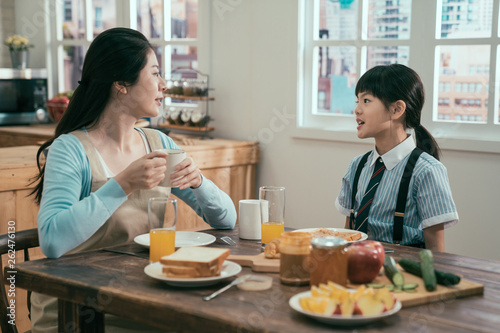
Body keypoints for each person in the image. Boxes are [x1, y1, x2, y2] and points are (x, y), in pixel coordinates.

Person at [29, 27, 236, 332]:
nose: (163, 85)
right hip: (79, 310)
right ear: (121, 85)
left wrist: (199, 183)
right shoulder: (70, 149)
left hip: (141, 298)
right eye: (154, 74)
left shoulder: (159, 144)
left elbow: (227, 220)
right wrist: (122, 184)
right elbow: (52, 241)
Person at [335, 64, 458, 252]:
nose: (357, 110)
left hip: (402, 274)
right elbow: (349, 235)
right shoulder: (357, 166)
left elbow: (435, 252)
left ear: (396, 109)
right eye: (357, 101)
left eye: (366, 100)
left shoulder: (427, 171)